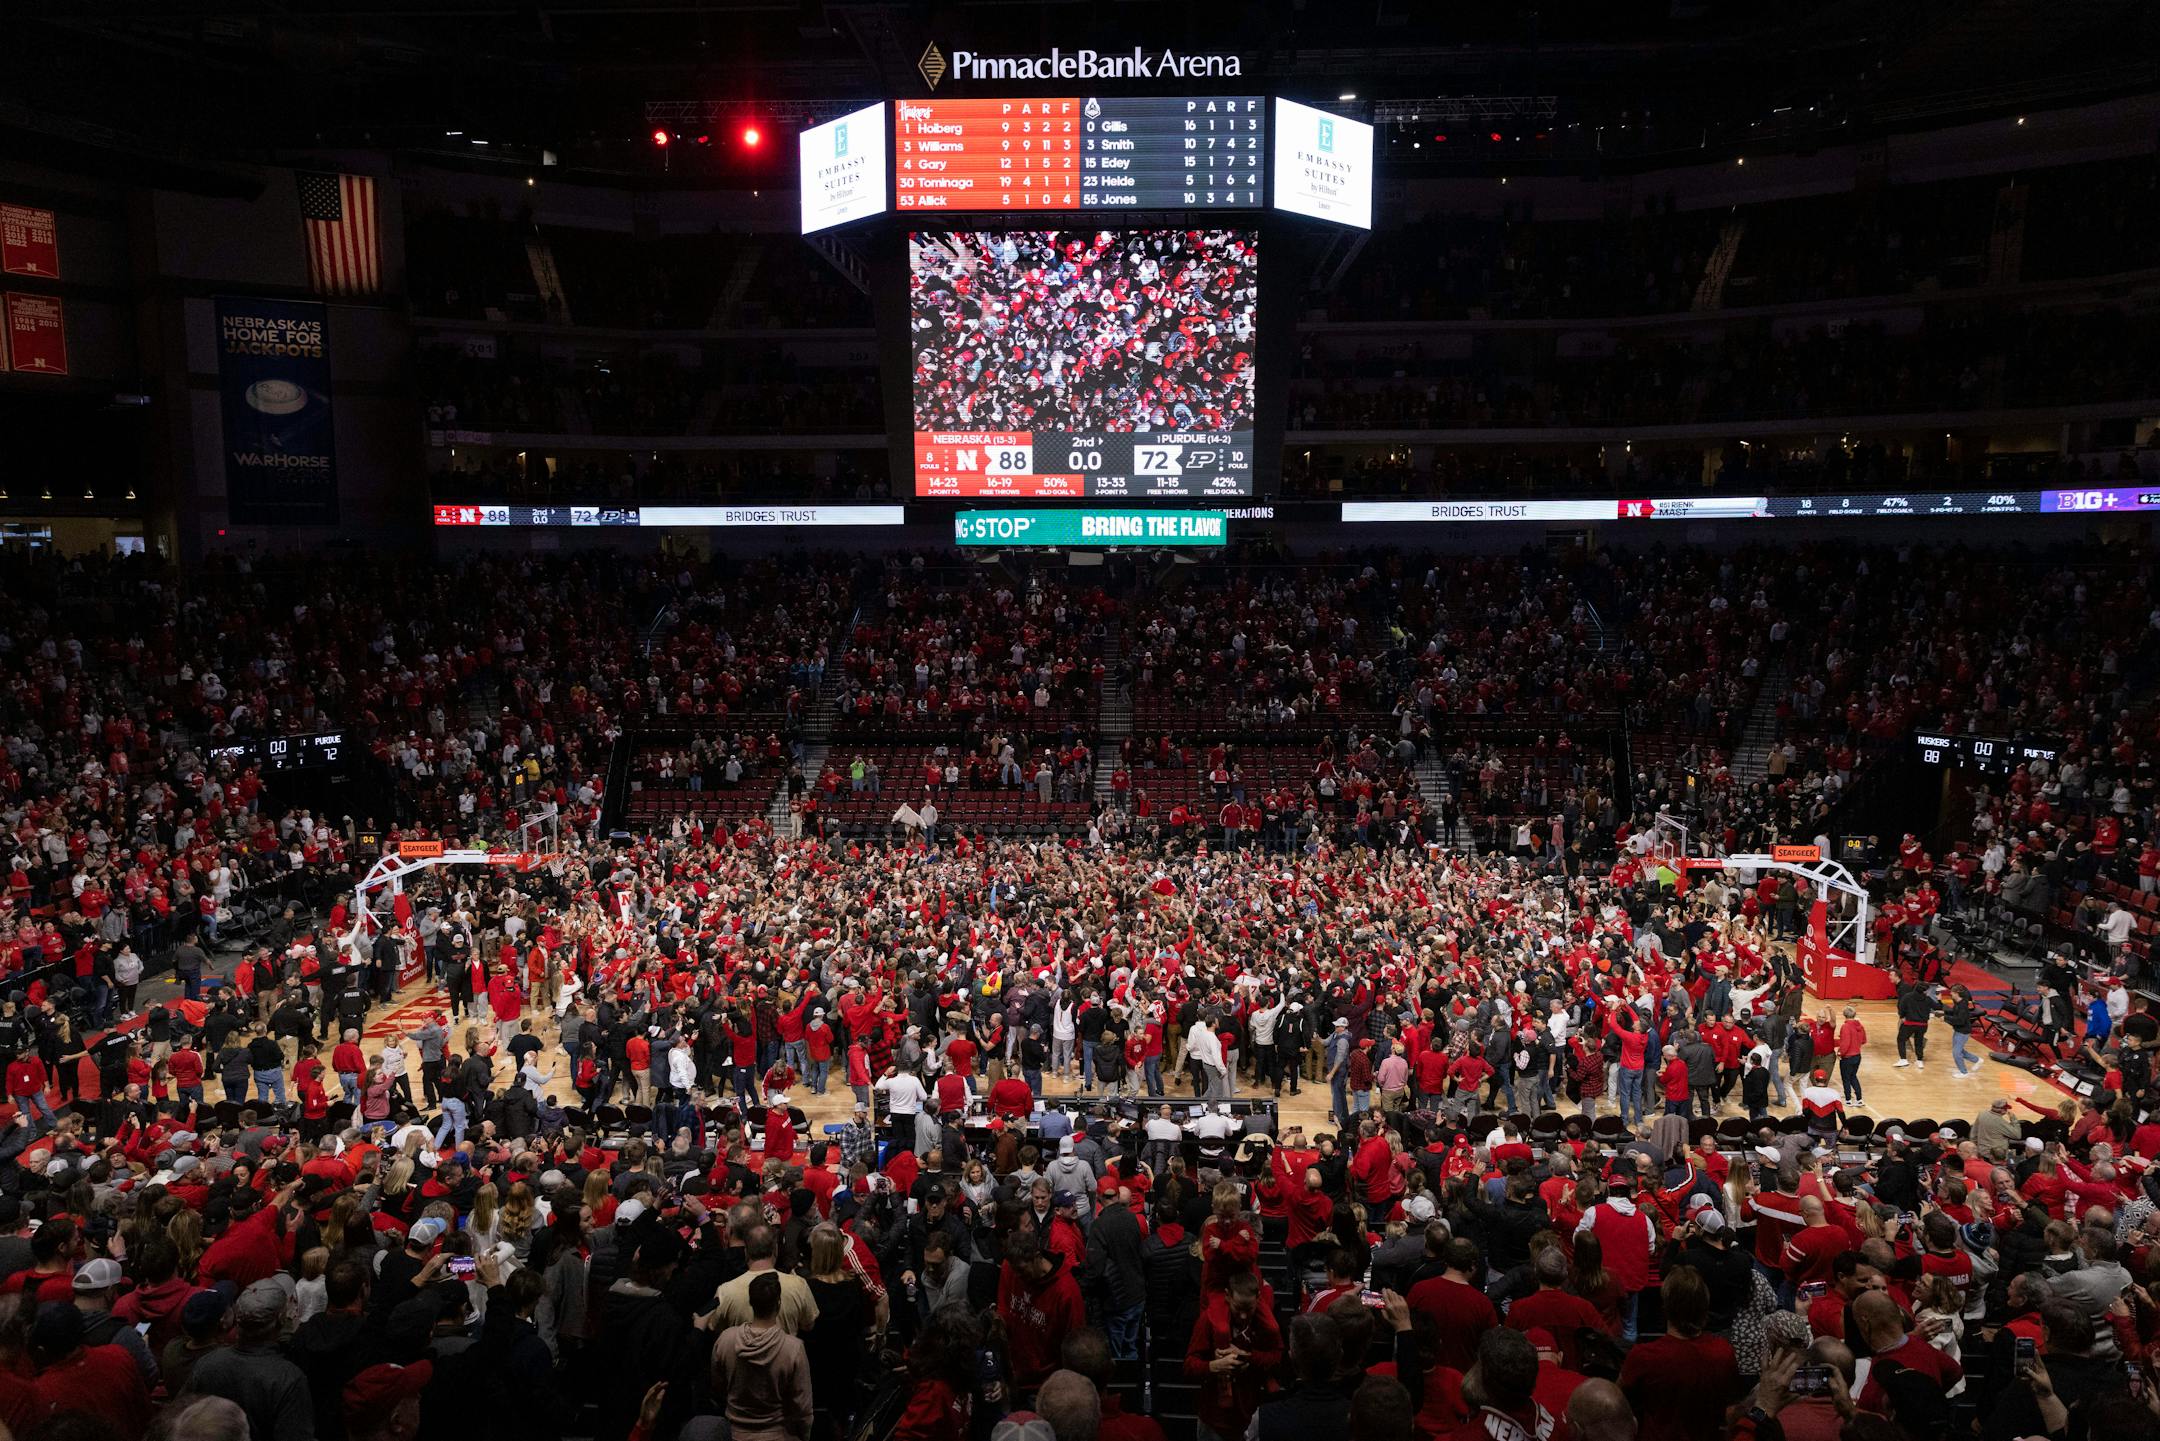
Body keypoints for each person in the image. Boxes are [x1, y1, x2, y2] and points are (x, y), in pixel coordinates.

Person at [1617, 1266, 1739, 1441]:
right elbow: (1731, 1405)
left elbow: (1615, 1400)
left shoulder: (1644, 1356)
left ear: (1665, 1307)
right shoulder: (1723, 1352)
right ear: (1704, 1305)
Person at [713, 1272, 814, 1441]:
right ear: (779, 1303)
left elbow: (718, 1386)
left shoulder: (725, 1340)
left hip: (734, 1432)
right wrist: (804, 1435)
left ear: (751, 1302)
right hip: (778, 1433)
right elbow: (802, 1406)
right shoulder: (793, 1349)